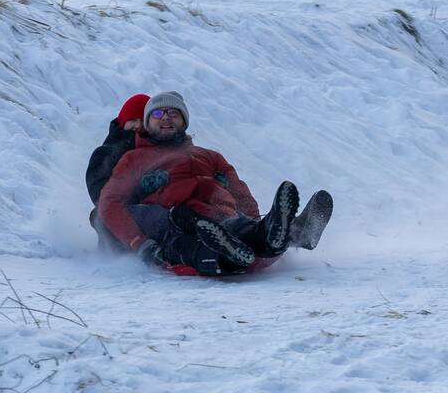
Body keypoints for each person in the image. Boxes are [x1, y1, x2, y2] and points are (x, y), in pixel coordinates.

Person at [97, 90, 332, 275]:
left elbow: (239, 190)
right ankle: (257, 245)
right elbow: (110, 202)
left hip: (221, 217)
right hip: (176, 222)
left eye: (173, 113)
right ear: (147, 124)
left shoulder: (209, 156)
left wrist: (251, 216)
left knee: (240, 229)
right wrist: (138, 242)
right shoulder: (134, 160)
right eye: (157, 114)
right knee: (195, 237)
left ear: (184, 122)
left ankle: (271, 231)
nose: (166, 117)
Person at [85, 93, 149, 251]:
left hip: (151, 213)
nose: (138, 125)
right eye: (133, 120)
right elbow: (99, 190)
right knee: (101, 215)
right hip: (120, 212)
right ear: (123, 121)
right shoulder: (106, 153)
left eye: (143, 121)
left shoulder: (157, 149)